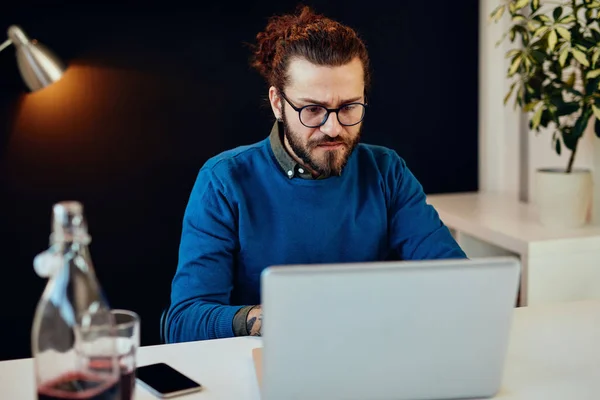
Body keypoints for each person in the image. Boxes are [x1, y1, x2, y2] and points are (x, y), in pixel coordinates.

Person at [165, 5, 466, 343]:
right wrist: (270, 317)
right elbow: (183, 322)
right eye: (312, 110)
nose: (333, 127)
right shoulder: (224, 181)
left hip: (371, 358)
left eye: (349, 107)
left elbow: (456, 279)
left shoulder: (387, 172)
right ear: (278, 103)